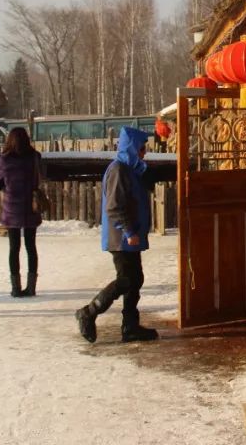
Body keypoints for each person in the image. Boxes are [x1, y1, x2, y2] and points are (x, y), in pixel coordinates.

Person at [75, 127, 165, 343]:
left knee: (135, 279)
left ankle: (130, 326)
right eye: (141, 148)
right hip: (122, 237)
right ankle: (89, 311)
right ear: (131, 148)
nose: (144, 152)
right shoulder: (118, 170)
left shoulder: (130, 169)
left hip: (130, 235)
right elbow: (114, 206)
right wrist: (129, 231)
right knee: (126, 280)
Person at [0, 127, 42, 298]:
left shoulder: (5, 160)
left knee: (14, 248)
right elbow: (41, 176)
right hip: (31, 205)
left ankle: (15, 287)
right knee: (31, 247)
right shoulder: (35, 157)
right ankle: (31, 287)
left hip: (12, 207)